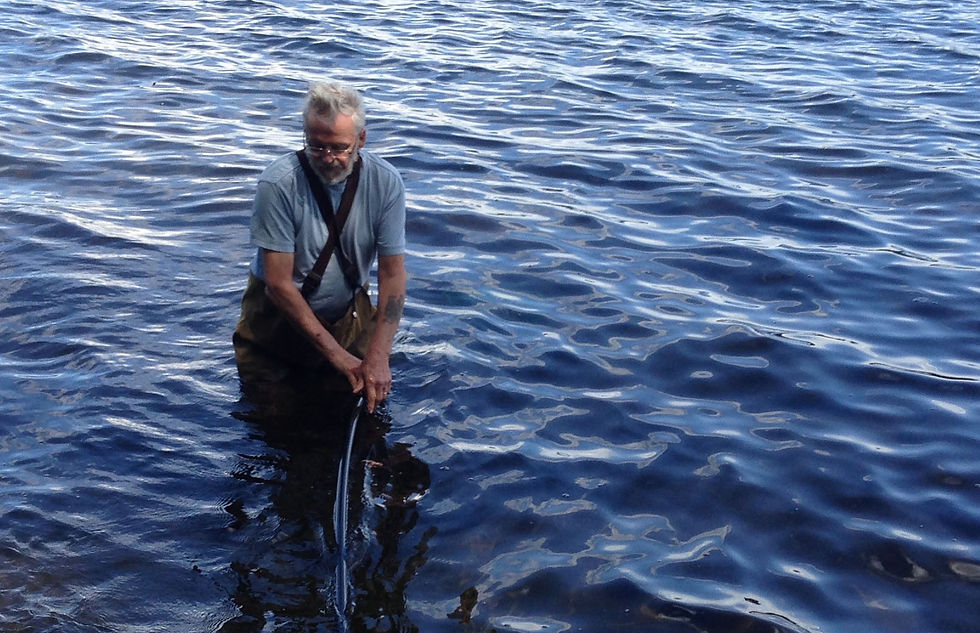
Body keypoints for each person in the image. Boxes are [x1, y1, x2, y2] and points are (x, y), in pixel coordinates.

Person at [234, 82, 406, 414]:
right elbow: (279, 285)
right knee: (274, 423)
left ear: (361, 140)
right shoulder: (278, 184)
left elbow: (393, 275)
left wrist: (378, 356)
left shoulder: (386, 183)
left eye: (340, 148)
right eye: (316, 146)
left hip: (348, 318)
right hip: (275, 325)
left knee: (363, 418)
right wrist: (339, 357)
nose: (328, 158)